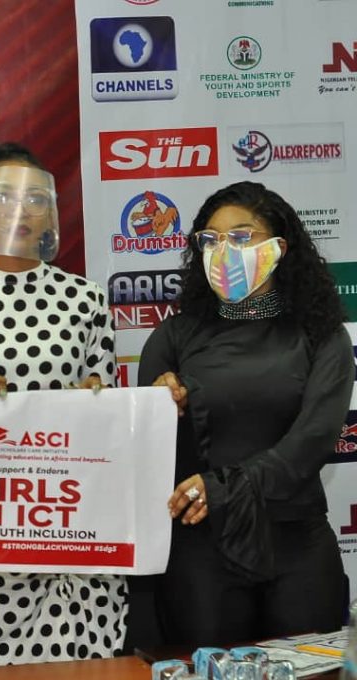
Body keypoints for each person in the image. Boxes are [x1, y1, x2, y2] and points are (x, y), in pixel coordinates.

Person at [0, 143, 126, 668]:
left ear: (52, 213)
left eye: (36, 198)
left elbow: (106, 400)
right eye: (5, 197)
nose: (21, 208)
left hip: (68, 512)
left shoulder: (87, 298)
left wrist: (92, 397)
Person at [139, 181, 352, 644]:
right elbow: (148, 455)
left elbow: (312, 441)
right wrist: (157, 408)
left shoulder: (322, 335)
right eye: (210, 239)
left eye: (240, 236)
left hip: (295, 543)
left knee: (314, 672)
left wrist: (224, 488)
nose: (223, 251)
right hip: (201, 547)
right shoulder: (172, 337)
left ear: (279, 247)